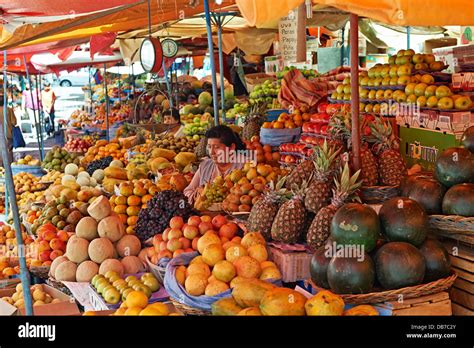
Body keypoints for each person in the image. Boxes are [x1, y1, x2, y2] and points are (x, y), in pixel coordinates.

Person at [184, 125, 246, 205]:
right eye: (209, 147)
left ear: (231, 148)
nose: (211, 152)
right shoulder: (205, 166)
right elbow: (187, 191)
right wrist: (195, 196)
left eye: (216, 147)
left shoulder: (244, 166)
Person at [0, 90, 18, 166]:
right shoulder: (9, 110)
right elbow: (14, 122)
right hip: (8, 134)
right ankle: (9, 169)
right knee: (9, 153)